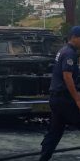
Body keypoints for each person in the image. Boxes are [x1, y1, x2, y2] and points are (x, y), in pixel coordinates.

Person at [39, 26, 80, 161]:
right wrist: (77, 99)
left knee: (55, 132)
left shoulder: (63, 50)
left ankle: (44, 158)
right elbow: (67, 77)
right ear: (74, 37)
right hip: (64, 99)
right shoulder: (70, 53)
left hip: (56, 99)